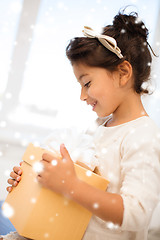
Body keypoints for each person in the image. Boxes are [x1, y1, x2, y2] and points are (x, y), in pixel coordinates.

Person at [2, 10, 160, 240]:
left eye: (87, 83)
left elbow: (136, 214)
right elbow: (82, 194)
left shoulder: (144, 136)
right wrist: (40, 179)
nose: (82, 96)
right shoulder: (100, 127)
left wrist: (70, 185)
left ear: (123, 73)